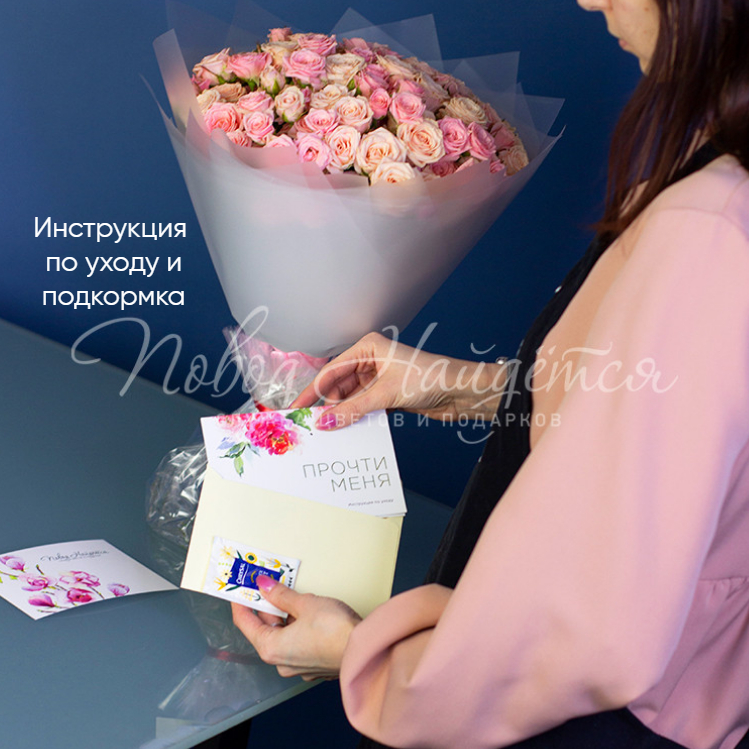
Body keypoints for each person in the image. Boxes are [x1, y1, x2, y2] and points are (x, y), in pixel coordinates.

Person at [231, 0, 749, 746]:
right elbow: (692, 432)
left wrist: (367, 656)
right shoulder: (721, 185)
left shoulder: (709, 226)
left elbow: (595, 629)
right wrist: (463, 387)